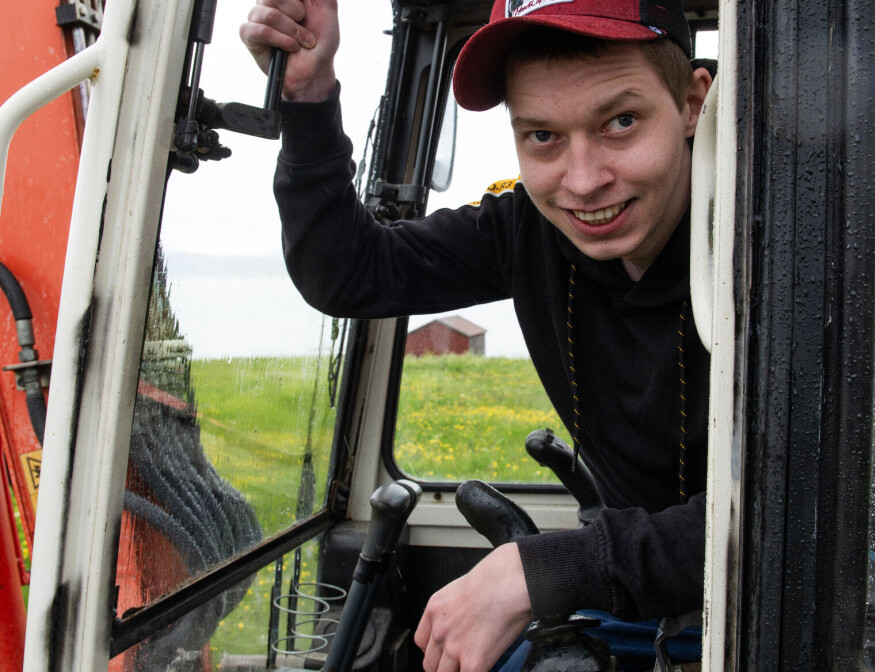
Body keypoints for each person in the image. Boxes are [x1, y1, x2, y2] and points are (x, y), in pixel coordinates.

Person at [240, 0, 713, 670]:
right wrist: (308, 97)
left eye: (621, 122)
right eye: (542, 136)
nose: (583, 182)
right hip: (648, 593)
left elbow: (801, 517)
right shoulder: (528, 227)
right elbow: (350, 273)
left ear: (693, 102)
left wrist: (542, 570)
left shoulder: (799, 249)